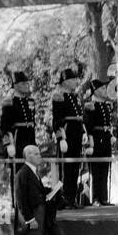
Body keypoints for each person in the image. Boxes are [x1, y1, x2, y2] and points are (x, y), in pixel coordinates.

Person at [51, 67, 87, 206]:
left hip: (76, 131)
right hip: (67, 132)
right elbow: (57, 120)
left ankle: (71, 198)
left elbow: (79, 117)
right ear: (65, 81)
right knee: (65, 168)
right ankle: (63, 197)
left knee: (75, 166)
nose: (75, 82)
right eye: (72, 79)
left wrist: (83, 133)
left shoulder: (75, 97)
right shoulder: (59, 96)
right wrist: (60, 138)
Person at [14, 144, 48, 235]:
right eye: (35, 154)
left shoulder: (34, 172)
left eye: (38, 153)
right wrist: (29, 219)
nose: (38, 156)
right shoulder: (23, 173)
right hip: (32, 216)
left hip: (38, 213)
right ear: (27, 156)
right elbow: (20, 199)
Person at [83, 77, 117, 205]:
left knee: (105, 169)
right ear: (95, 90)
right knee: (96, 170)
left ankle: (104, 197)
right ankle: (96, 198)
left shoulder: (106, 106)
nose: (104, 90)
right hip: (96, 139)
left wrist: (110, 135)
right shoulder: (90, 106)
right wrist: (89, 144)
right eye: (102, 88)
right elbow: (87, 126)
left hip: (105, 139)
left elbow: (108, 124)